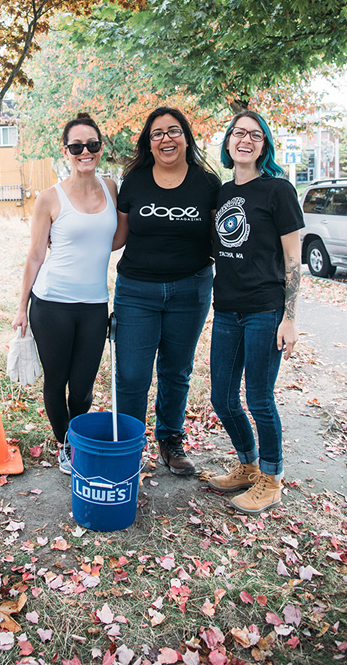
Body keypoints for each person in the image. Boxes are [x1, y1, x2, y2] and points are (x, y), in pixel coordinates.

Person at [111, 107, 221, 476]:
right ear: (149, 142)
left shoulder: (207, 184)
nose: (166, 138)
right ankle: (128, 446)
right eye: (157, 133)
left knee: (176, 370)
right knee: (132, 375)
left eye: (173, 131)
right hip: (136, 291)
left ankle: (171, 440)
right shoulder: (135, 182)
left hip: (191, 289)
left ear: (186, 138)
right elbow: (118, 238)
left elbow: (219, 238)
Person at [203, 111, 303, 514]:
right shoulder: (222, 194)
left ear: (264, 145)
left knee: (259, 398)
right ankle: (247, 465)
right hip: (227, 309)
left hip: (265, 309)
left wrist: (291, 318)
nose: (246, 139)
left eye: (256, 135)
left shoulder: (278, 191)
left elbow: (294, 259)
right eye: (239, 133)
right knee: (223, 398)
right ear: (228, 142)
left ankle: (271, 478)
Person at [12, 113, 119, 475]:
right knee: (57, 381)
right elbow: (36, 254)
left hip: (93, 306)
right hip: (51, 304)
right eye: (77, 146)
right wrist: (21, 307)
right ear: (66, 151)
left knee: (84, 387)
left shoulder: (111, 188)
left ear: (100, 148)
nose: (85, 151)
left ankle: (76, 437)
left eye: (91, 144)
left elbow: (116, 238)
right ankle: (66, 446)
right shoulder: (49, 198)